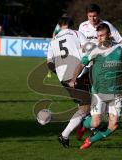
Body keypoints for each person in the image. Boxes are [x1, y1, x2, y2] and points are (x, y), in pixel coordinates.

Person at [69, 23, 122, 149]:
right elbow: (81, 65)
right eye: (98, 36)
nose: (99, 38)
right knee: (96, 123)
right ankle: (83, 124)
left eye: (102, 36)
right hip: (99, 92)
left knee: (113, 125)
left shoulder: (119, 49)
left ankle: (90, 140)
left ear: (109, 35)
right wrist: (73, 79)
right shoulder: (94, 50)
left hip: (116, 93)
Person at [47, 15, 91, 148]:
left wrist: (60, 73)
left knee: (85, 104)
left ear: (59, 26)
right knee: (87, 105)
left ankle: (84, 128)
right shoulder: (77, 34)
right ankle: (65, 134)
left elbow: (49, 64)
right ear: (71, 25)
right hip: (78, 75)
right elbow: (89, 50)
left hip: (64, 78)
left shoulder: (53, 40)